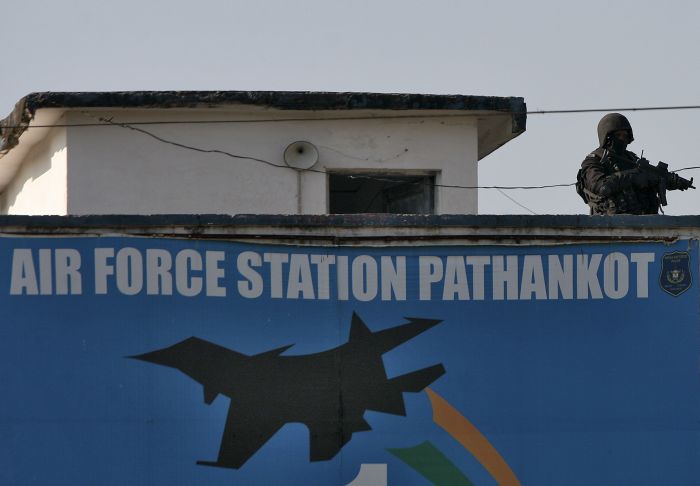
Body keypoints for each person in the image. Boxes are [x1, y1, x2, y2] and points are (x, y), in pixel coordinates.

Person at [577, 113, 692, 215]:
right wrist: (633, 177)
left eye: (625, 135)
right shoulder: (594, 160)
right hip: (611, 221)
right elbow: (602, 187)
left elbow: (650, 176)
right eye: (618, 135)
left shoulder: (631, 158)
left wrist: (671, 181)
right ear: (607, 138)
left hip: (645, 221)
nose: (623, 139)